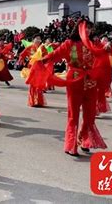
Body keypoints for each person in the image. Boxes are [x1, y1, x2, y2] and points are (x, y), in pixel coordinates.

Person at [43, 21, 107, 156]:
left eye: (90, 28)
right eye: (86, 28)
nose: (88, 31)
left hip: (90, 81)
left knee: (90, 115)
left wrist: (109, 47)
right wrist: (42, 60)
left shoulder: (93, 44)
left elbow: (104, 53)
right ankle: (71, 145)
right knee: (74, 114)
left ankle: (83, 139)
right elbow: (55, 54)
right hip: (74, 81)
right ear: (79, 29)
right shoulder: (69, 43)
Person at [17, 33, 48, 107]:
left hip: (40, 68)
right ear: (33, 40)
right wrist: (22, 61)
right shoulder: (30, 47)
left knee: (39, 85)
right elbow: (22, 54)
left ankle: (39, 101)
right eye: (36, 38)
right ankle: (33, 102)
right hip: (32, 68)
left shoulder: (42, 48)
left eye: (39, 39)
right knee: (32, 85)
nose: (38, 40)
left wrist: (44, 60)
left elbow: (47, 56)